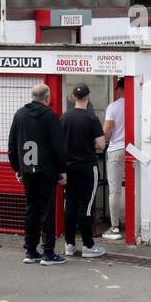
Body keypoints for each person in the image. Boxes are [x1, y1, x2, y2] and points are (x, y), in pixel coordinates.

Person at [7, 83, 67, 265]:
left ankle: (30, 250)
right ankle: (48, 252)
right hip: (46, 171)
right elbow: (58, 145)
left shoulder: (20, 114)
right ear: (47, 98)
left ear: (32, 96)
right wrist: (61, 170)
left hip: (27, 170)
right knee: (47, 210)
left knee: (31, 209)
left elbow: (11, 145)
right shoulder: (50, 116)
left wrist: (17, 168)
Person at [61, 84, 106, 258]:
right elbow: (101, 144)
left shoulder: (64, 117)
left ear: (73, 97)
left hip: (69, 167)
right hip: (87, 167)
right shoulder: (91, 118)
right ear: (88, 97)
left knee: (70, 205)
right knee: (86, 206)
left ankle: (69, 244)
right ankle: (88, 245)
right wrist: (90, 142)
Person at [102, 77, 126, 241]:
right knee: (136, 187)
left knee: (114, 189)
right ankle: (135, 222)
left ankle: (115, 226)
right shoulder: (138, 104)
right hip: (133, 150)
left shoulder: (114, 107)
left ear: (119, 89)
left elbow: (107, 131)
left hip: (116, 150)